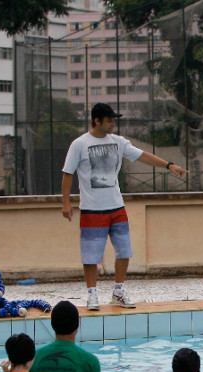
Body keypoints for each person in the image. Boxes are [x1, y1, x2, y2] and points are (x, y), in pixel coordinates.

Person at [61, 102, 188, 310]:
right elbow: (67, 173)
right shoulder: (79, 144)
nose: (112, 124)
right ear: (97, 121)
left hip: (116, 207)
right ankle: (92, 294)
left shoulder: (119, 142)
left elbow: (142, 155)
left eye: (113, 120)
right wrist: (66, 203)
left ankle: (118, 291)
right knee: (91, 255)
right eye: (109, 120)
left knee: (124, 251)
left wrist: (168, 165)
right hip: (92, 209)